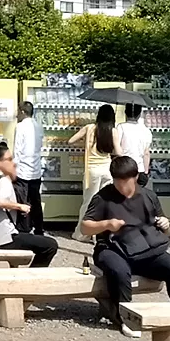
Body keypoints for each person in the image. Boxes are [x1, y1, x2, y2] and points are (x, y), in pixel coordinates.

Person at [80, 156, 170, 339]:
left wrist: (166, 224)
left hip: (145, 250)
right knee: (119, 271)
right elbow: (85, 227)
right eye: (118, 182)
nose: (122, 187)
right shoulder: (103, 197)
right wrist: (107, 224)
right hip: (111, 249)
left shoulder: (148, 196)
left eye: (126, 182)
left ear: (136, 177)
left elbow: (167, 232)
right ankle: (125, 318)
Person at [0, 142, 57, 267]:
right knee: (50, 245)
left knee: (28, 237)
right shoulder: (2, 180)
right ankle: (29, 278)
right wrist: (20, 206)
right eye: (9, 159)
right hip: (3, 239)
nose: (14, 163)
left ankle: (18, 273)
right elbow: (1, 201)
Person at [70, 104, 121, 242]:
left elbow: (71, 141)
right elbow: (119, 152)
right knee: (105, 202)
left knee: (88, 202)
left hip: (91, 170)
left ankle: (81, 234)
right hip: (107, 169)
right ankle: (99, 235)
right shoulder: (113, 131)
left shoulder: (89, 128)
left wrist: (85, 145)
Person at [13, 101, 45, 235]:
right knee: (36, 200)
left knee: (23, 200)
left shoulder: (20, 127)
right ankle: (39, 228)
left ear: (22, 111)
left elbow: (17, 149)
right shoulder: (39, 126)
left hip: (22, 170)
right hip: (36, 170)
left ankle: (24, 227)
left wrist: (13, 167)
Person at [117, 104, 153, 187]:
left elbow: (117, 148)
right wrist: (146, 171)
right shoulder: (146, 131)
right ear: (139, 114)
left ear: (125, 113)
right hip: (139, 168)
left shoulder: (121, 127)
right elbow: (146, 153)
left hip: (123, 168)